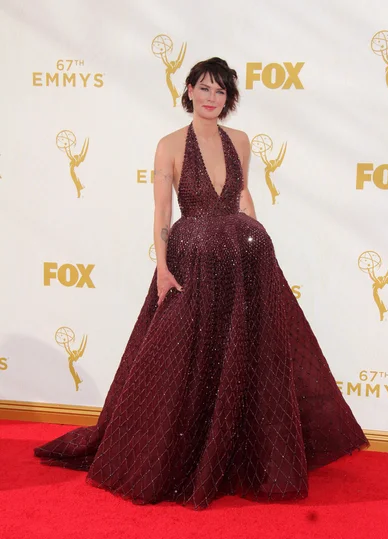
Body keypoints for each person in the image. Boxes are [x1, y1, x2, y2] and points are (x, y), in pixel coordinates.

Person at [34, 57, 370, 510]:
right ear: (189, 89)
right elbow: (161, 214)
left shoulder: (241, 141)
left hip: (243, 257)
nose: (213, 98)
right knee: (184, 355)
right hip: (191, 261)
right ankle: (184, 455)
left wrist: (258, 247)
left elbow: (243, 194)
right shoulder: (169, 145)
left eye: (222, 92)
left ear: (228, 99)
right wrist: (161, 266)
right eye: (205, 88)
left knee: (246, 355)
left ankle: (241, 454)